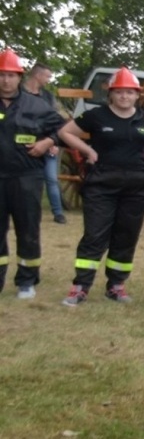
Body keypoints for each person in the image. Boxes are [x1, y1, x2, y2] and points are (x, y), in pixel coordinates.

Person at [56, 67, 144, 305]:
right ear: (110, 94)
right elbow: (65, 132)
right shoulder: (96, 116)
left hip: (136, 187)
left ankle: (116, 285)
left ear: (137, 95)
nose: (124, 97)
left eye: (129, 92)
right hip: (101, 186)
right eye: (119, 92)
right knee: (95, 235)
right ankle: (81, 286)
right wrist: (88, 150)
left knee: (126, 236)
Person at [1, 48, 68, 298]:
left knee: (27, 228)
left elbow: (63, 129)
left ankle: (26, 281)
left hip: (26, 177)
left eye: (11, 75)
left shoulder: (37, 105)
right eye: (1, 75)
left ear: (20, 77)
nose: (5, 80)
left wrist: (47, 142)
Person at [22, 63, 67, 224]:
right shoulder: (17, 95)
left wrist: (54, 142)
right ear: (38, 75)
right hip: (21, 147)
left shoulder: (49, 97)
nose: (48, 80)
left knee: (51, 179)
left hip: (47, 146)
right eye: (47, 76)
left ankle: (58, 213)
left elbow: (59, 122)